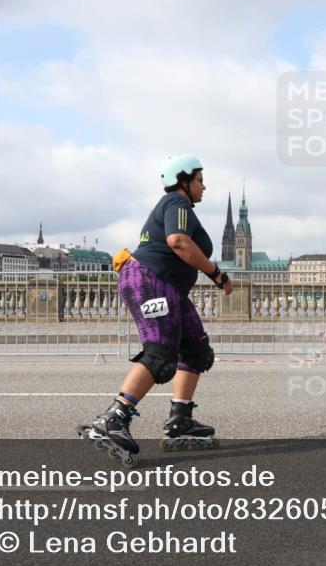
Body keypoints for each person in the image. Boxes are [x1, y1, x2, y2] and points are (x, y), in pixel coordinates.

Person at [77, 154, 233, 466]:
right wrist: (218, 274)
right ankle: (114, 418)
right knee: (161, 354)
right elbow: (179, 242)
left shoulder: (178, 205)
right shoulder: (177, 203)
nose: (204, 186)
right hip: (150, 281)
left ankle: (180, 420)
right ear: (183, 181)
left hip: (169, 287)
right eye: (200, 180)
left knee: (196, 351)